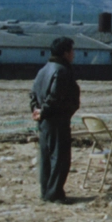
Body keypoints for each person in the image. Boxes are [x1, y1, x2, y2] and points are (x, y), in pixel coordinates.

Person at [29, 36, 80, 203]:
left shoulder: (43, 70)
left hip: (44, 120)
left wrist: (36, 110)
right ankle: (55, 193)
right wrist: (43, 111)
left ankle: (46, 192)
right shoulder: (61, 71)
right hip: (57, 119)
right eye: (72, 50)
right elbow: (56, 96)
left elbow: (33, 94)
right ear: (65, 53)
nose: (74, 54)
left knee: (46, 157)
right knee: (60, 158)